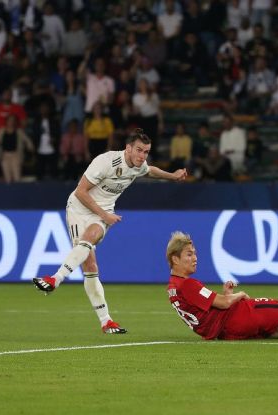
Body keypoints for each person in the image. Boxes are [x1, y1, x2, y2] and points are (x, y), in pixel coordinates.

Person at [33, 128, 188, 334]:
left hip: (102, 212)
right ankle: (103, 319)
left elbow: (150, 171)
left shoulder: (138, 166)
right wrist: (104, 215)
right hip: (79, 208)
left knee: (90, 239)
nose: (143, 156)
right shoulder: (106, 162)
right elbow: (80, 191)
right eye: (139, 150)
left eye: (146, 152)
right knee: (90, 265)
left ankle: (58, 281)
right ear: (128, 148)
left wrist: (172, 176)